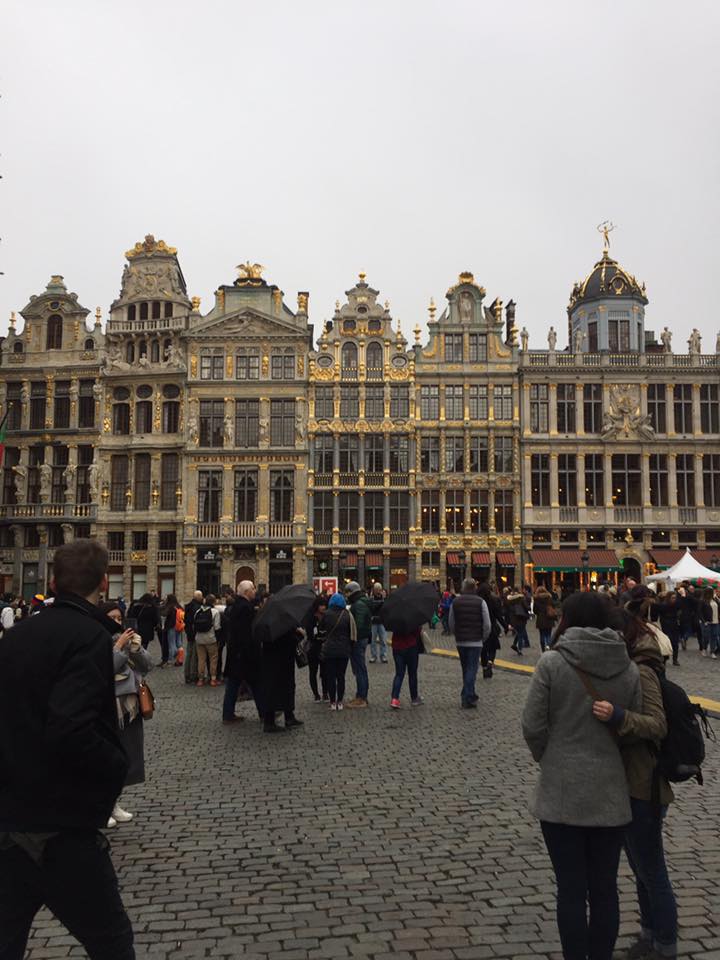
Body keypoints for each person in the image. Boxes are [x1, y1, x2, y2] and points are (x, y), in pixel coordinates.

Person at [0, 538, 135, 959]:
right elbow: (70, 729)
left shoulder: (14, 638)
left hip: (8, 823)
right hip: (62, 830)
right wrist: (117, 766)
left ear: (53, 581)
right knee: (112, 943)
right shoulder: (90, 637)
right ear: (104, 581)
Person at [521, 592, 641, 960]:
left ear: (566, 620)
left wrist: (552, 758)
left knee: (571, 889)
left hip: (562, 792)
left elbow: (532, 726)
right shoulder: (629, 667)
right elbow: (632, 726)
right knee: (605, 888)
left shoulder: (552, 663)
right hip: (610, 790)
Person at [592, 587, 678, 960]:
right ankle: (649, 934)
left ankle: (666, 943)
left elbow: (656, 724)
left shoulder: (643, 670)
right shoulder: (628, 668)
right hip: (630, 784)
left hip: (646, 785)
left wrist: (618, 718)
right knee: (641, 868)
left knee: (652, 869)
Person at [98, 601, 153, 827]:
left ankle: (113, 802)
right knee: (107, 757)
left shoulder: (126, 639)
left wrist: (137, 649)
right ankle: (101, 807)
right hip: (110, 706)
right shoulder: (98, 641)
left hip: (130, 704)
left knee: (126, 756)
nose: (117, 622)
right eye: (112, 618)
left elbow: (147, 666)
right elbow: (105, 667)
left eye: (119, 618)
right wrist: (119, 648)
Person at [448, 578, 491, 708]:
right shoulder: (481, 602)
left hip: (461, 641)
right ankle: (467, 697)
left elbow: (451, 622)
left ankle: (469, 695)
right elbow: (487, 624)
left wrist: (457, 634)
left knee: (465, 669)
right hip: (476, 641)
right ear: (474, 588)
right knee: (472, 669)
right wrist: (482, 638)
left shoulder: (455, 602)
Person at [260, 622, 304, 733]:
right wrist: (299, 635)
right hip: (281, 662)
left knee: (284, 688)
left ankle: (289, 715)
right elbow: (289, 641)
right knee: (277, 690)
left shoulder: (266, 624)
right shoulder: (281, 625)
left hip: (273, 663)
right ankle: (270, 722)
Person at [223, 581, 256, 724]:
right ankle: (266, 712)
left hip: (236, 652)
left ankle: (228, 714)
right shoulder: (245, 608)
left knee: (235, 684)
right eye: (253, 589)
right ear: (247, 592)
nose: (255, 591)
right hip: (242, 653)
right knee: (255, 682)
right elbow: (246, 633)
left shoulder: (237, 605)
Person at [319, 593, 355, 711]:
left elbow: (321, 631)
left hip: (329, 650)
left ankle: (332, 701)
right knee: (341, 676)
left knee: (330, 676)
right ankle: (340, 701)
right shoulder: (347, 615)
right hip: (343, 650)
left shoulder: (326, 614)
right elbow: (351, 633)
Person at [345, 581, 372, 708]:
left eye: (347, 592)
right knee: (359, 668)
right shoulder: (360, 601)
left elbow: (359, 625)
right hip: (361, 638)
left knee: (360, 668)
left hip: (358, 639)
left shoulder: (359, 604)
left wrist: (353, 638)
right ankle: (360, 695)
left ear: (352, 592)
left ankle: (362, 697)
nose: (346, 595)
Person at [389, 625, 422, 709]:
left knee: (399, 674)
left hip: (397, 647)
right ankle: (414, 698)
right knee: (412, 674)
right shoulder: (412, 617)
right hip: (411, 646)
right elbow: (417, 632)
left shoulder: (395, 617)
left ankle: (394, 698)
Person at [477, 582, 505, 679]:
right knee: (492, 648)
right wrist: (505, 626)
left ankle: (485, 667)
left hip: (480, 628)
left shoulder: (478, 601)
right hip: (492, 627)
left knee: (483, 650)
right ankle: (490, 662)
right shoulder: (494, 600)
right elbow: (499, 616)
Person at [194, 595, 221, 687]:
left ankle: (200, 679)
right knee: (213, 659)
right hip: (210, 638)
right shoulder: (215, 612)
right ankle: (213, 679)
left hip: (199, 638)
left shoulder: (198, 611)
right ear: (213, 602)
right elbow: (217, 627)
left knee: (201, 659)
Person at [308, 596, 329, 702]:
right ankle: (316, 694)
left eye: (325, 605)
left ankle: (325, 693)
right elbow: (310, 634)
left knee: (325, 672)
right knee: (313, 671)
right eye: (321, 605)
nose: (323, 607)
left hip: (324, 647)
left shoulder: (327, 616)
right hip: (313, 648)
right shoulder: (311, 617)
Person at [127, 593, 161, 659]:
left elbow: (130, 616)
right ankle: (141, 658)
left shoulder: (135, 606)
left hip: (136, 628)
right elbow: (155, 620)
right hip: (147, 629)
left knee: (135, 644)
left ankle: (135, 658)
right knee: (144, 645)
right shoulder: (152, 607)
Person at [654, 592, 680, 666]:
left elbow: (681, 605)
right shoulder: (663, 605)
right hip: (666, 625)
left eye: (675, 598)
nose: (674, 599)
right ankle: (665, 659)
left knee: (675, 643)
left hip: (674, 625)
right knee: (667, 642)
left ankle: (675, 659)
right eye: (672, 598)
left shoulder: (675, 605)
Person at [183, 590, 203, 684]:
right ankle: (193, 675)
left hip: (189, 633)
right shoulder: (197, 607)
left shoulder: (188, 606)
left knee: (189, 654)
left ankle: (187, 675)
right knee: (195, 655)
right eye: (201, 596)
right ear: (198, 597)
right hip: (195, 633)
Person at [534, 584, 558, 653]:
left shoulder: (536, 599)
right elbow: (553, 606)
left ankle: (543, 649)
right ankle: (548, 646)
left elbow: (535, 610)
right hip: (549, 618)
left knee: (542, 634)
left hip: (540, 619)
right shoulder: (549, 598)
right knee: (548, 634)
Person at [507, 586, 531, 653]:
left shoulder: (510, 599)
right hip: (521, 617)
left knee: (519, 632)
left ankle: (515, 644)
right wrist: (529, 608)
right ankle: (520, 649)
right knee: (521, 633)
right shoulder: (521, 598)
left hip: (513, 618)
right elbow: (527, 607)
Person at [161, 594, 183, 666]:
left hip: (171, 627)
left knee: (171, 643)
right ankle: (180, 658)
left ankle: (170, 660)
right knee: (179, 643)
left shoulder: (170, 607)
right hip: (179, 626)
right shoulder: (179, 606)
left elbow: (164, 614)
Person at [368, 583, 388, 664]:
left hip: (382, 622)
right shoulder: (371, 598)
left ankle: (383, 655)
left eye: (379, 589)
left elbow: (386, 608)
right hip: (373, 622)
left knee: (383, 640)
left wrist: (384, 599)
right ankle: (373, 656)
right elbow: (372, 607)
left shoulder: (384, 599)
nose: (378, 591)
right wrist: (381, 602)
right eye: (377, 589)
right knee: (373, 640)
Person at [699, 587, 720, 659]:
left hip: (716, 621)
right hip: (707, 622)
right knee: (706, 637)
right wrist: (704, 621)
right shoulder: (702, 601)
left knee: (714, 636)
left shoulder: (715, 600)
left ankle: (712, 652)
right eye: (712, 591)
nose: (714, 592)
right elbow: (700, 612)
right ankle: (704, 649)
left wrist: (716, 598)